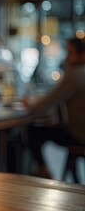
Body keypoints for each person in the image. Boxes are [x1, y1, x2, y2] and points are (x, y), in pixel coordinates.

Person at [27, 37, 85, 178]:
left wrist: (29, 104)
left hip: (80, 136)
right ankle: (72, 176)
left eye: (70, 52)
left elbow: (45, 104)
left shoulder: (75, 74)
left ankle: (43, 171)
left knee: (33, 130)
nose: (66, 57)